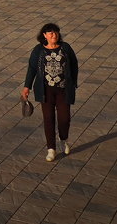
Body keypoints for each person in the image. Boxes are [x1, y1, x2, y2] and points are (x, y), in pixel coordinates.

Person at [22, 22, 79, 162]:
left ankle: (63, 139)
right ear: (45, 35)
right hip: (45, 91)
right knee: (48, 119)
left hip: (63, 90)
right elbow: (32, 69)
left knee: (64, 118)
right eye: (51, 33)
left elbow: (74, 65)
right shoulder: (38, 50)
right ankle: (51, 149)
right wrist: (26, 87)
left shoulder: (65, 48)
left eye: (56, 32)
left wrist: (73, 83)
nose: (54, 35)